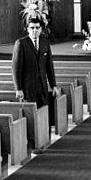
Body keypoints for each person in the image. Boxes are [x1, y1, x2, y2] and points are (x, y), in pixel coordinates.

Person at [11, 16, 61, 153]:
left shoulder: (45, 43)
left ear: (41, 29)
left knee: (43, 113)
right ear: (27, 29)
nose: (34, 31)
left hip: (42, 87)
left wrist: (54, 85)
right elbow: (16, 68)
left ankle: (44, 140)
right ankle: (33, 145)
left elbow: (49, 66)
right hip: (28, 88)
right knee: (31, 116)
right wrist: (18, 88)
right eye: (31, 28)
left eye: (37, 28)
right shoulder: (21, 43)